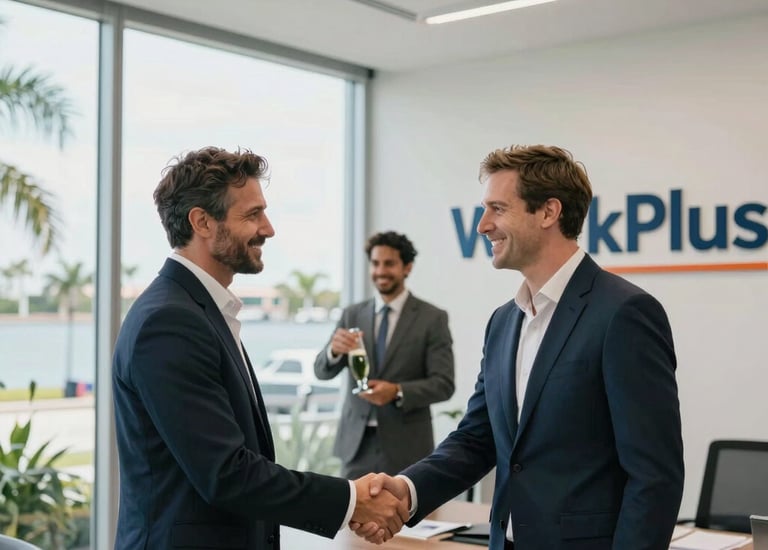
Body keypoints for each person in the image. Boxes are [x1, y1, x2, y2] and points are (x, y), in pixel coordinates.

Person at [358, 145, 684, 549]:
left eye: (497, 208)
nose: (483, 226)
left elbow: (655, 476)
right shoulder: (503, 322)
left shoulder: (624, 313)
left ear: (548, 212)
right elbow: (478, 438)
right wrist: (408, 489)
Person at [112, 147, 407, 550]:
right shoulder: (169, 321)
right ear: (202, 222)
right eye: (252, 215)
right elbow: (226, 474)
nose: (268, 229)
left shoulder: (199, 310)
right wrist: (351, 500)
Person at [314, 231, 455, 479]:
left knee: (407, 507)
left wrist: (397, 391)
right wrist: (333, 351)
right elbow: (321, 371)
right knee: (352, 506)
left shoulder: (432, 318)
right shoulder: (352, 314)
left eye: (389, 263)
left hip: (407, 448)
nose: (380, 271)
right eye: (375, 263)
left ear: (407, 267)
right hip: (356, 447)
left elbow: (443, 384)